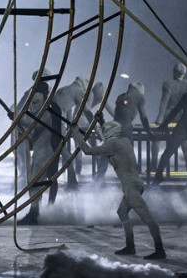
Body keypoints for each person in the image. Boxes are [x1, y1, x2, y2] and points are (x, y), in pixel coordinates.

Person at [69, 121, 166, 260]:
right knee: (122, 212)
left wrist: (75, 133)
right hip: (135, 184)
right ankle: (130, 246)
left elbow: (87, 150)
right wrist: (100, 121)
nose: (103, 131)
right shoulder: (124, 141)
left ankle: (159, 249)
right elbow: (108, 142)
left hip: (130, 187)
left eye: (104, 129)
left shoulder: (112, 145)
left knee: (147, 218)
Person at [9, 85, 62, 225]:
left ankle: (35, 213)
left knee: (35, 183)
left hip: (46, 151)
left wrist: (16, 118)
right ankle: (42, 210)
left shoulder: (47, 111)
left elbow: (33, 123)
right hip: (46, 150)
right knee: (41, 181)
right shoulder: (50, 108)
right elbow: (31, 127)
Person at [153, 62, 187, 170]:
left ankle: (153, 166)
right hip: (182, 117)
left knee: (156, 138)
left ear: (175, 72)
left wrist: (159, 120)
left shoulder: (168, 84)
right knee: (184, 140)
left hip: (169, 116)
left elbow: (164, 103)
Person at [53, 76, 89, 188]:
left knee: (57, 148)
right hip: (58, 119)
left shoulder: (65, 89)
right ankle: (71, 179)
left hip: (52, 117)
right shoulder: (79, 91)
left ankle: (68, 177)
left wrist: (68, 125)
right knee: (62, 148)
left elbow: (67, 109)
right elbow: (85, 111)